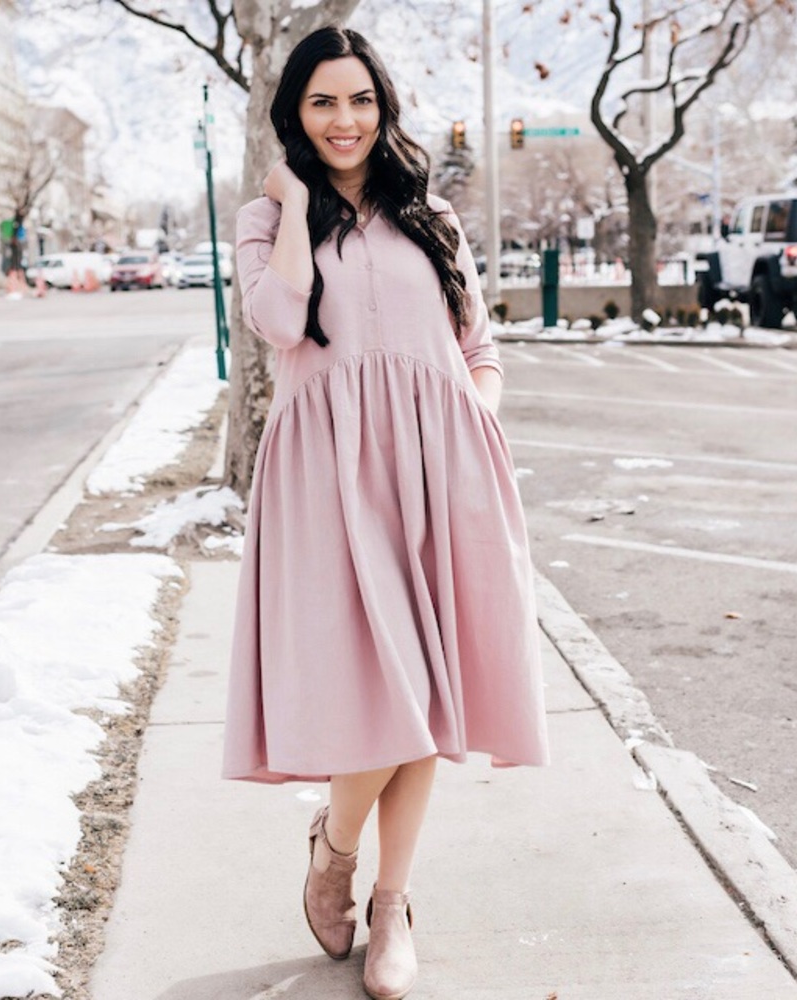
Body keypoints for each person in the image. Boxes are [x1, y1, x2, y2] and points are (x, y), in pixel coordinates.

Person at [222, 25, 549, 1000]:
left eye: (359, 99)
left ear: (383, 106)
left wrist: (470, 431)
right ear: (295, 113)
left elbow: (478, 350)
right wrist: (286, 200)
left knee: (426, 701)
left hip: (438, 481)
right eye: (322, 101)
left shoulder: (430, 217)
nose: (344, 119)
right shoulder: (261, 218)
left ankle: (390, 903)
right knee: (389, 696)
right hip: (324, 484)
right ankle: (333, 844)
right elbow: (280, 322)